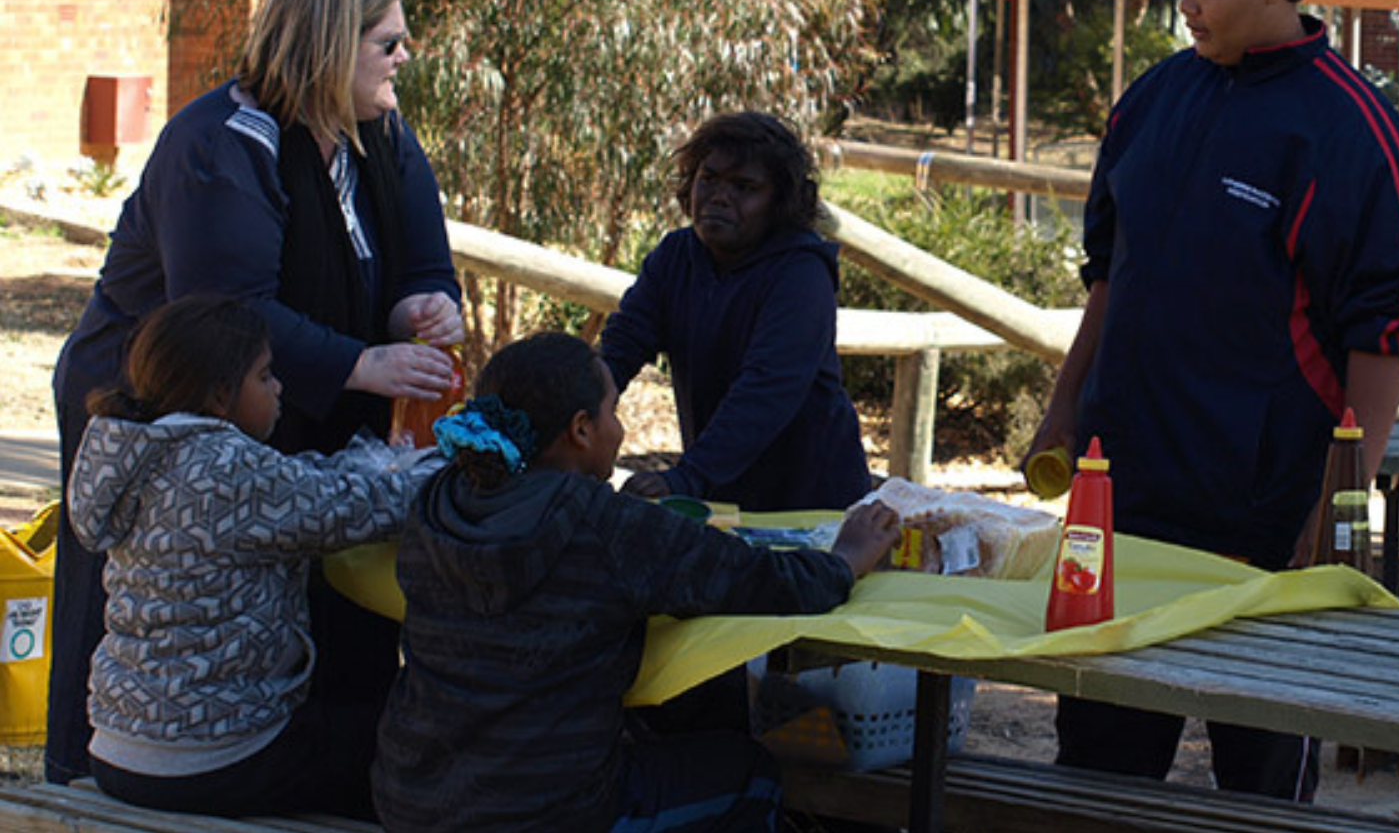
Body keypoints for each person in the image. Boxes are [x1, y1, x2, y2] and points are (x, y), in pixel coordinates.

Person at [1022, 0, 1399, 801]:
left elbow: (1390, 331)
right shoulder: (1153, 99)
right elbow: (1111, 273)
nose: (1187, 9)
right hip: (1123, 489)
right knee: (1098, 761)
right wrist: (1063, 410)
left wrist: (1339, 512)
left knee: (1260, 783)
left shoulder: (1352, 131)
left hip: (1264, 514)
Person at [46, 0, 463, 785]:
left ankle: (280, 750)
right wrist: (363, 362)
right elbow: (227, 315)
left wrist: (421, 305)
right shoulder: (219, 144)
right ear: (327, 45)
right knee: (148, 592)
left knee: (324, 569)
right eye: (387, 42)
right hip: (159, 402)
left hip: (294, 388)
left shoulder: (379, 131)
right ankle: (100, 771)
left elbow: (423, 258)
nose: (404, 58)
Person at [371, 332, 899, 833]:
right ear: (580, 429)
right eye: (613, 414)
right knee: (748, 773)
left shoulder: (437, 504)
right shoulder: (601, 522)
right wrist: (847, 558)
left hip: (411, 800)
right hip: (542, 816)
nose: (620, 432)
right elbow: (764, 581)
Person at [66, 295, 426, 819]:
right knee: (410, 743)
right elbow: (364, 508)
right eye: (264, 376)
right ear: (218, 394)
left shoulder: (137, 452)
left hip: (118, 746)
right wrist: (445, 478)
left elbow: (292, 482)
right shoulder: (225, 467)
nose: (278, 388)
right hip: (210, 757)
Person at [598, 111, 870, 513]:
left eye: (744, 187)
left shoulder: (800, 273)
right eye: (708, 179)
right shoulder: (676, 257)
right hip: (723, 496)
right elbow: (621, 348)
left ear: (779, 202)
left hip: (811, 504)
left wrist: (687, 477)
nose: (719, 196)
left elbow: (767, 390)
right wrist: (569, 420)